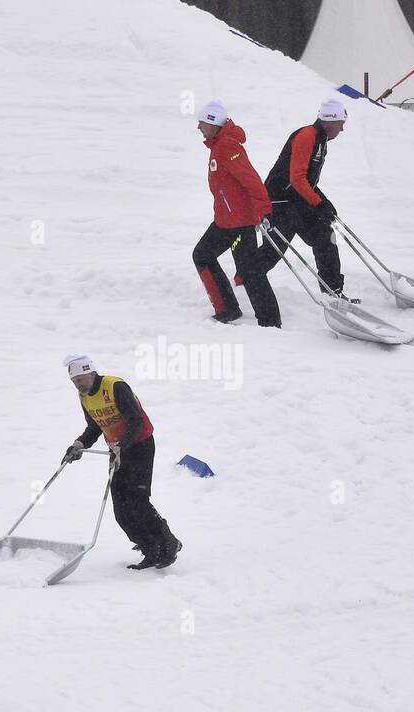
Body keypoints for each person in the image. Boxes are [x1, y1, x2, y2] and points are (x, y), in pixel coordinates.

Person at [61, 355, 181, 570]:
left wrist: (121, 446)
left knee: (137, 500)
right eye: (73, 381)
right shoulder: (84, 396)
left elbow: (136, 420)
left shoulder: (115, 386)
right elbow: (95, 426)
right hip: (118, 450)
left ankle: (167, 542)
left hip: (140, 445)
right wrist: (79, 444)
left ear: (91, 373)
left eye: (80, 378)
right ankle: (149, 548)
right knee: (121, 508)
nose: (77, 384)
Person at [254, 99, 358, 302]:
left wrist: (324, 201)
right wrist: (318, 203)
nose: (342, 129)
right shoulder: (306, 136)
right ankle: (243, 281)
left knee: (325, 238)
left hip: (297, 202)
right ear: (329, 121)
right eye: (341, 123)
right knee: (273, 251)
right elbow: (297, 178)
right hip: (280, 203)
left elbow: (307, 181)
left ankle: (332, 293)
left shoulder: (320, 140)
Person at [191, 100, 282, 327]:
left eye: (201, 122)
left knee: (248, 270)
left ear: (212, 122)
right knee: (204, 255)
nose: (198, 127)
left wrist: (264, 210)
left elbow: (250, 179)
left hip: (238, 222)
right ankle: (228, 309)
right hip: (225, 220)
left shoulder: (227, 147)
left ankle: (268, 321)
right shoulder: (219, 144)